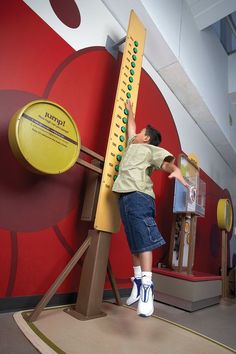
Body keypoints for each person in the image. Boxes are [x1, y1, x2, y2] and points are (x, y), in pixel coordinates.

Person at [112, 99, 189, 317]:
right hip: (124, 196)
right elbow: (132, 127)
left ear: (146, 138)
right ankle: (137, 282)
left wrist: (176, 171)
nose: (135, 134)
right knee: (135, 244)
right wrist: (130, 111)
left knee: (143, 241)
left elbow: (165, 163)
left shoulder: (149, 149)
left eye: (141, 133)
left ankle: (147, 287)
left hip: (140, 196)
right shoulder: (131, 146)